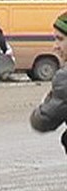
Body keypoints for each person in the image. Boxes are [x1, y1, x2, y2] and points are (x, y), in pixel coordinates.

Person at [30, 11, 67, 154]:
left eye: (60, 39)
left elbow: (42, 121)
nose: (55, 46)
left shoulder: (64, 78)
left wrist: (48, 98)